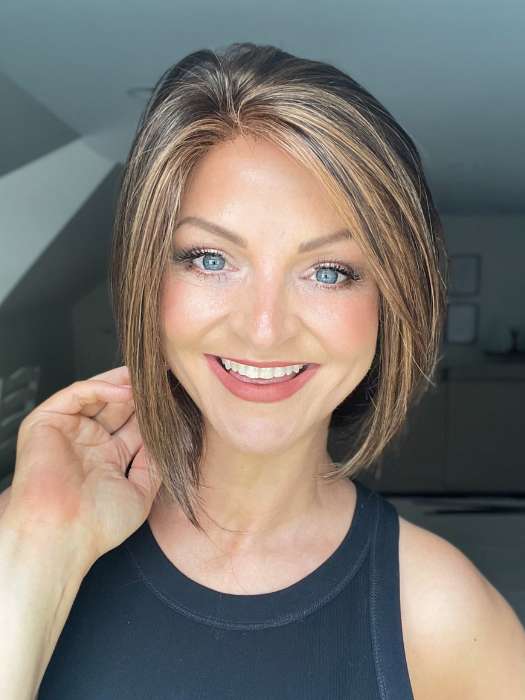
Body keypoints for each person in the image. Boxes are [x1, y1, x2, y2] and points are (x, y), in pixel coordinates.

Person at [1, 41, 524, 700]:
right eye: (211, 259)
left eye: (328, 272)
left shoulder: (444, 614)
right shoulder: (27, 534)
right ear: (148, 282)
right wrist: (35, 554)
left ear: (390, 303)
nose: (264, 328)